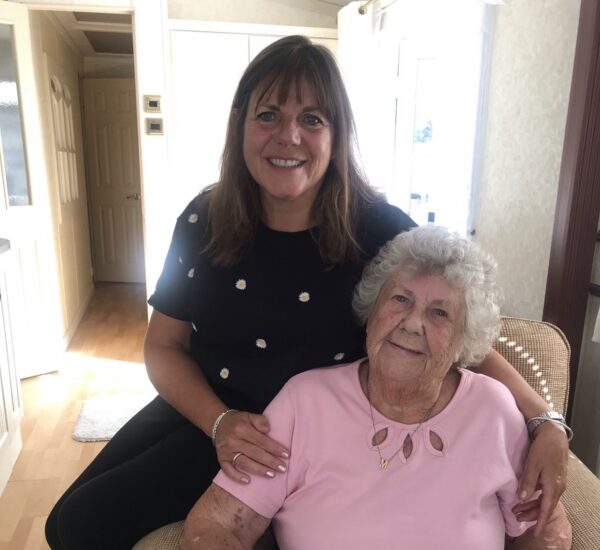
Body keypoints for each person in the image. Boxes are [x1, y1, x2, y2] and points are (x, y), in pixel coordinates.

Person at [45, 35, 569, 550]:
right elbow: (162, 346)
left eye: (312, 119)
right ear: (240, 126)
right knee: (65, 523)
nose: (288, 136)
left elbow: (449, 333)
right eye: (268, 114)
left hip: (307, 440)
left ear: (336, 136)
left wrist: (544, 420)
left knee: (83, 527)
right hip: (222, 414)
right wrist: (218, 422)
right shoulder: (204, 218)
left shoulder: (380, 229)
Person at [182, 225, 572, 550]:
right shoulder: (306, 403)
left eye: (439, 312)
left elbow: (545, 528)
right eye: (400, 299)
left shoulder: (493, 411)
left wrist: (549, 426)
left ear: (462, 344)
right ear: (372, 312)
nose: (412, 323)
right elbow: (216, 524)